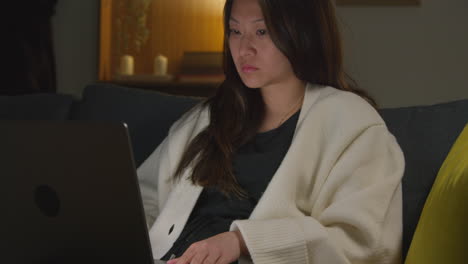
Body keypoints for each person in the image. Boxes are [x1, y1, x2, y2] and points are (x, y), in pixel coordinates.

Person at [137, 0, 405, 263]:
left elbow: (362, 243)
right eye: (235, 31)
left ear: (302, 32)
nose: (244, 49)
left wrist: (242, 242)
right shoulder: (208, 117)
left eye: (262, 32)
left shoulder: (352, 123)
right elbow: (141, 200)